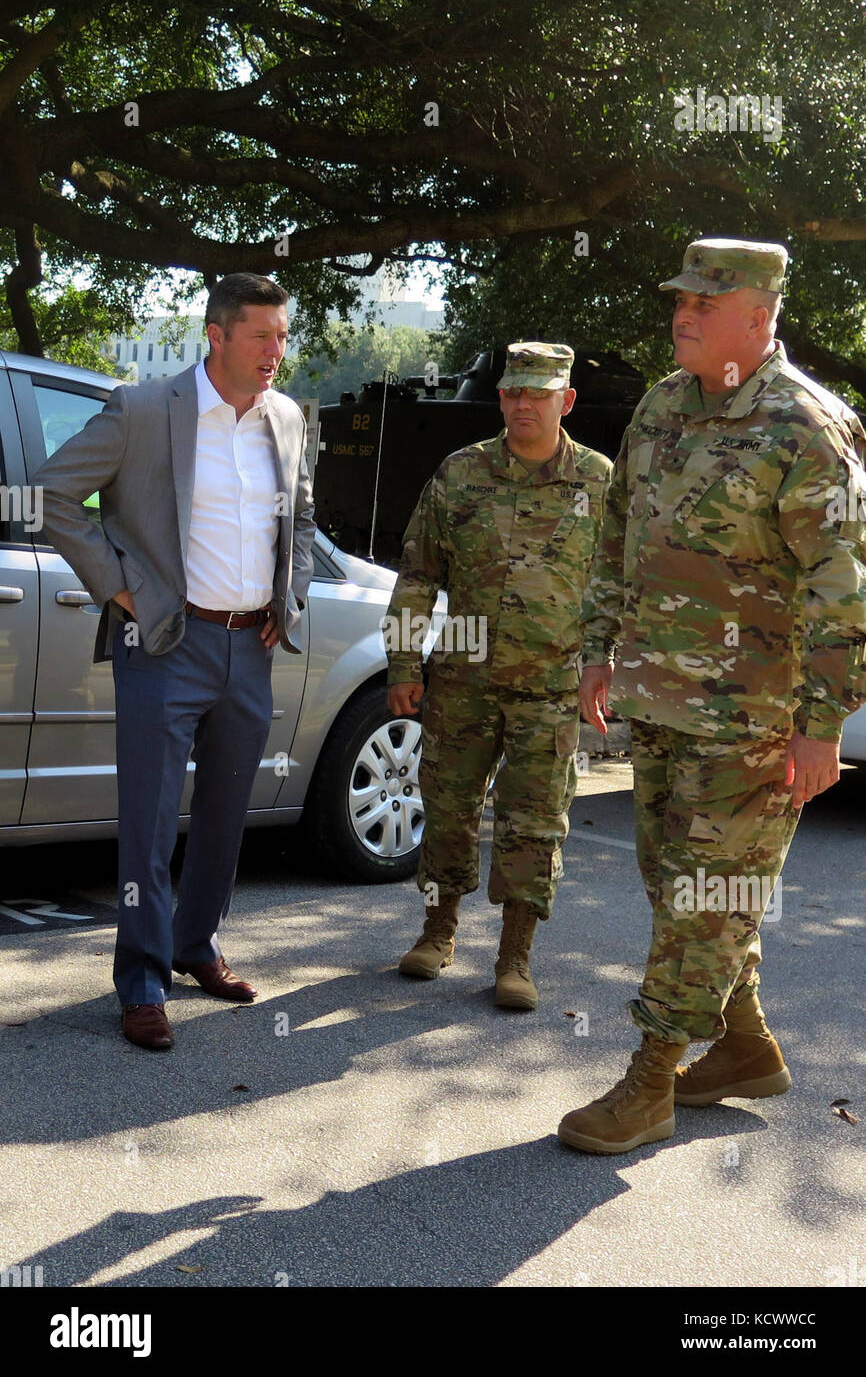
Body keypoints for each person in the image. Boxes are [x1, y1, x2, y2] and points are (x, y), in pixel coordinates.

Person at [557, 238, 866, 1153]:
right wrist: (600, 650)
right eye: (681, 298)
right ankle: (743, 1046)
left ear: (760, 314)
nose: (682, 313)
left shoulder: (808, 426)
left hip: (755, 721)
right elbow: (622, 537)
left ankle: (649, 1080)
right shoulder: (659, 408)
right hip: (659, 701)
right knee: (679, 886)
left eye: (704, 300)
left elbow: (844, 587)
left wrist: (824, 727)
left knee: (709, 893)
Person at [34, 273, 316, 1050]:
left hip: (248, 645)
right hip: (164, 640)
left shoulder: (287, 417)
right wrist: (118, 585)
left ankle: (198, 947)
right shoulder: (144, 409)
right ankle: (142, 980)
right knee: (151, 823)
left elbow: (302, 511)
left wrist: (286, 601)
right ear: (217, 335)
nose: (275, 351)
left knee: (227, 814)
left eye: (283, 335)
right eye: (261, 335)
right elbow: (55, 492)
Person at [385, 342, 613, 1009]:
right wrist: (405, 661)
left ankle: (516, 958)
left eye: (537, 394)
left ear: (565, 401)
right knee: (450, 811)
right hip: (462, 679)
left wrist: (603, 667)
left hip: (551, 685)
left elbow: (615, 586)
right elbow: (419, 574)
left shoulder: (599, 482)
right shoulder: (461, 473)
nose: (522, 405)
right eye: (513, 392)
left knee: (535, 824)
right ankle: (437, 932)